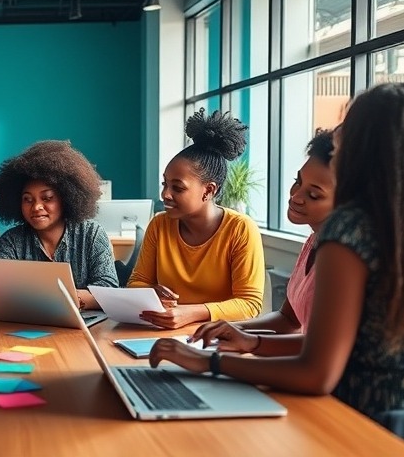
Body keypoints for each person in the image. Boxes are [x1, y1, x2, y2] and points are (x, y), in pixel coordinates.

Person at [151, 83, 404, 430]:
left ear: (365, 147)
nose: (338, 134)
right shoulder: (384, 225)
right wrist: (251, 341)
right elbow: (341, 344)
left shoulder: (347, 229)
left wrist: (205, 364)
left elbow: (317, 373)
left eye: (349, 125)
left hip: (353, 419)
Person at [194, 131, 336, 355]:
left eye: (314, 195)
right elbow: (288, 319)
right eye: (297, 182)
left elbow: (325, 349)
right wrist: (233, 329)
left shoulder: (342, 258)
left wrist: (250, 343)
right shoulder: (313, 241)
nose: (295, 196)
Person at [128, 108, 265, 329]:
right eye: (165, 184)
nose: (165, 194)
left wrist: (190, 313)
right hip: (163, 332)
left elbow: (249, 304)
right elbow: (136, 283)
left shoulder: (240, 229)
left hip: (216, 337)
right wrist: (149, 291)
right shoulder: (159, 224)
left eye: (178, 188)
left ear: (208, 190)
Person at [0, 140, 118, 310]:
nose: (36, 207)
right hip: (27, 325)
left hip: (86, 328)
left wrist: (64, 299)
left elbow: (108, 288)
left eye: (47, 198)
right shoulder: (12, 241)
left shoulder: (91, 234)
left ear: (66, 197)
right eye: (28, 199)